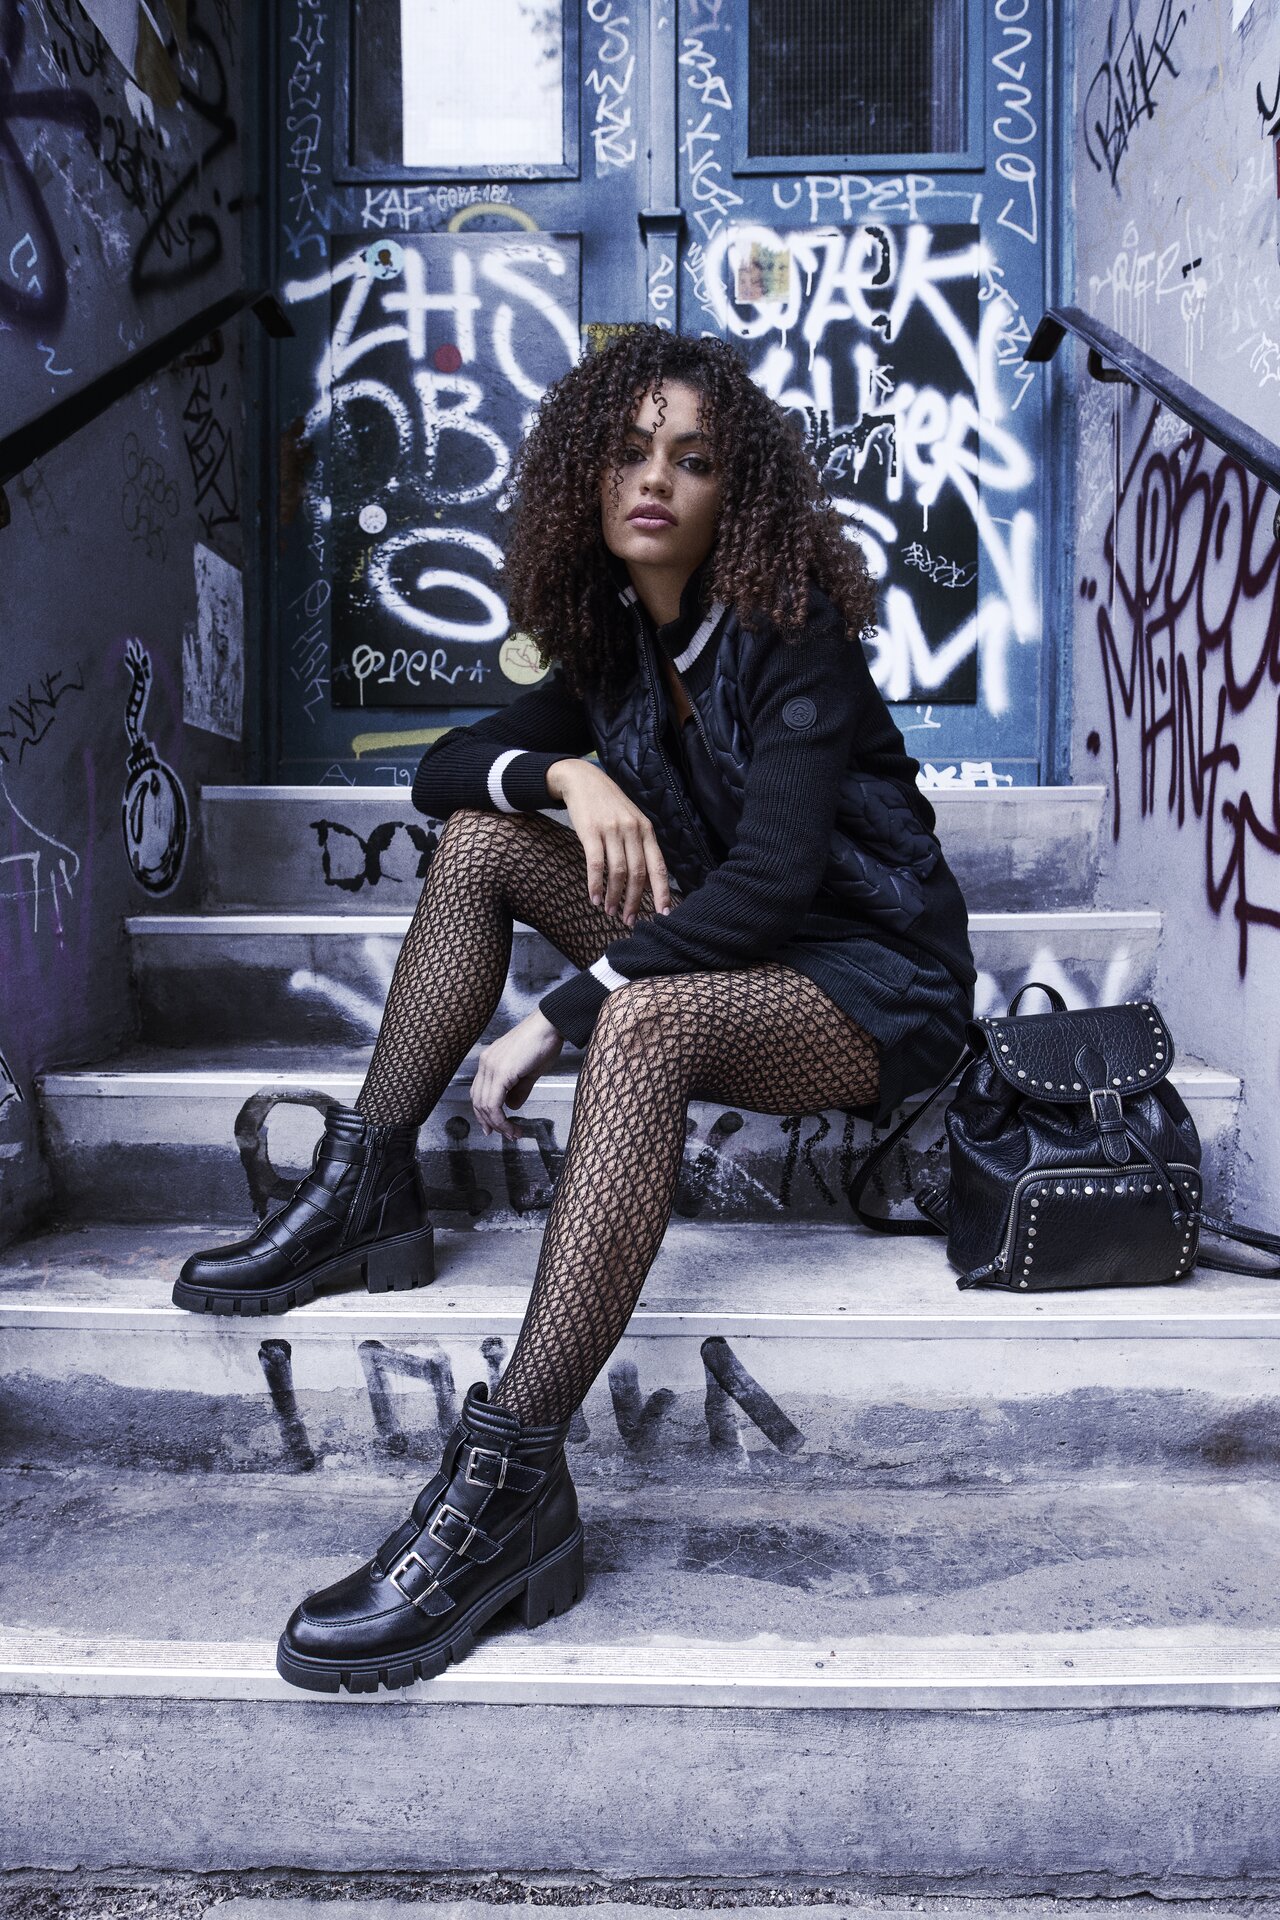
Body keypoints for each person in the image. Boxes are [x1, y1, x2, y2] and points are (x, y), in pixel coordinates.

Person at [173, 326, 976, 1694]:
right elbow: (445, 768)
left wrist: (570, 1007)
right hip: (722, 956)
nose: (655, 479)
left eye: (694, 460)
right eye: (630, 450)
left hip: (869, 986)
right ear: (585, 478)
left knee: (643, 1022)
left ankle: (510, 1481)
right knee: (484, 841)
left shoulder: (793, 640)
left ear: (736, 496)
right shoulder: (616, 651)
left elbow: (776, 885)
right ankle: (367, 1188)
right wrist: (566, 777)